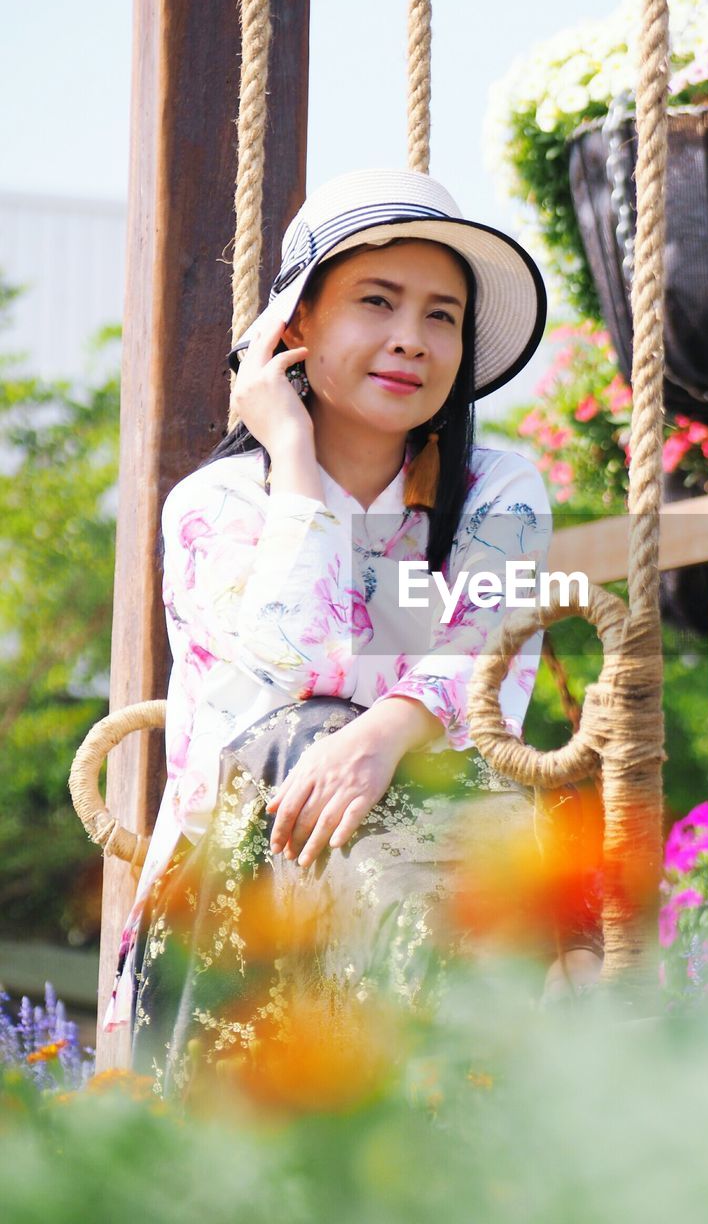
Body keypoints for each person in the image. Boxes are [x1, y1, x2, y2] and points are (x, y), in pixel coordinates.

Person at [102, 170, 603, 1092]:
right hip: (242, 904)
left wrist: (386, 731)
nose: (413, 337)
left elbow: (491, 665)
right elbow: (297, 675)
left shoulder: (497, 491)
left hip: (433, 894)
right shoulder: (214, 506)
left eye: (442, 315)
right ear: (291, 330)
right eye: (378, 301)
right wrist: (293, 461)